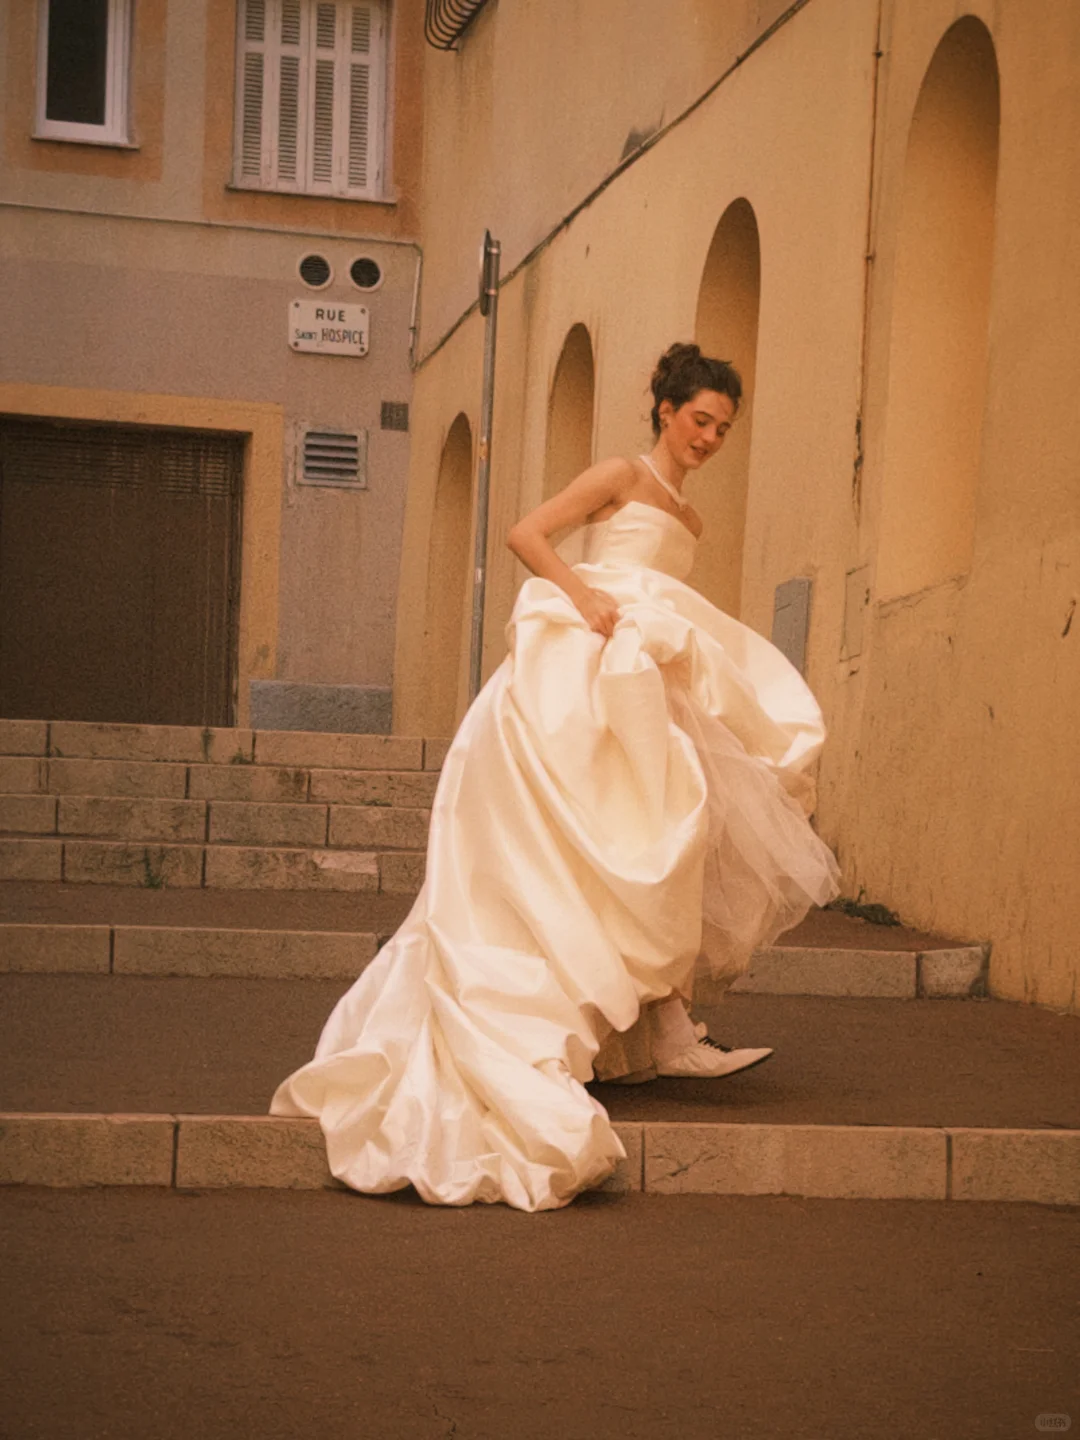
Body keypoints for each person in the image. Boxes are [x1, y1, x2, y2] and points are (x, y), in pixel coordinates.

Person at [271, 342, 840, 1212]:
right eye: (700, 420)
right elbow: (526, 534)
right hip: (574, 676)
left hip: (641, 683)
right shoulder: (619, 473)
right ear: (665, 411)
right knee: (595, 847)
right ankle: (639, 1027)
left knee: (665, 834)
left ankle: (660, 1029)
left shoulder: (689, 520)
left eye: (724, 428)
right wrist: (584, 599)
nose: (710, 438)